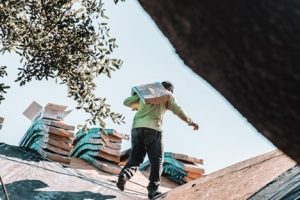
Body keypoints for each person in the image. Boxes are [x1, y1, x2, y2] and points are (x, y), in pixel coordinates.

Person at [116, 81, 199, 199]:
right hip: (153, 130)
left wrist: (138, 98)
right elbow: (178, 110)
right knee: (157, 161)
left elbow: (126, 102)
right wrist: (191, 122)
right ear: (169, 89)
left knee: (135, 158)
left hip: (136, 129)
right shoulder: (167, 96)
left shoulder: (146, 94)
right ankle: (152, 190)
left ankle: (124, 176)